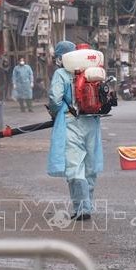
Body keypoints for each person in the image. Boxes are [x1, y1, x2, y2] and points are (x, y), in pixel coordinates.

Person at [47, 41, 103, 221]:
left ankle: (82, 209)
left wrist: (57, 115)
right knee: (90, 165)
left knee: (75, 166)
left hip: (71, 123)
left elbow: (55, 99)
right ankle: (88, 205)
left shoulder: (61, 74)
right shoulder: (91, 71)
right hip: (92, 121)